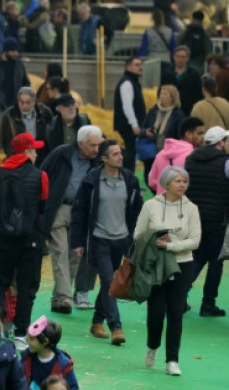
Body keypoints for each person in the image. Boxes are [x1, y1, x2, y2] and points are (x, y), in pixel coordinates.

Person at [69, 140, 143, 345]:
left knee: (107, 283)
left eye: (120, 153)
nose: (120, 157)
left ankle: (96, 322)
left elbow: (138, 209)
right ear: (104, 159)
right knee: (109, 281)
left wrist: (136, 235)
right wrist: (77, 242)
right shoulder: (91, 181)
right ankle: (116, 327)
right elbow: (79, 212)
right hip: (99, 239)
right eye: (115, 154)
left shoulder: (130, 180)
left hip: (121, 239)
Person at [0, 133, 49, 345]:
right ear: (28, 151)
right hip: (31, 239)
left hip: (3, 238)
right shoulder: (41, 176)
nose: (37, 153)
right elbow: (42, 209)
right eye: (34, 149)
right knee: (27, 286)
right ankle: (21, 333)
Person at [134, 166, 200, 376]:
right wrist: (155, 241)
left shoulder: (192, 208)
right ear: (166, 184)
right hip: (155, 265)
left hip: (183, 265)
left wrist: (171, 245)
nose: (183, 185)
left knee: (175, 312)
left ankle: (172, 360)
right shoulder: (150, 206)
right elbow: (138, 235)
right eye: (178, 181)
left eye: (185, 181)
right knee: (155, 312)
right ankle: (153, 346)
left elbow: (195, 241)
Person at [41, 125, 103, 314]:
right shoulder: (61, 154)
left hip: (80, 212)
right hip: (58, 209)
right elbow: (42, 175)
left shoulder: (97, 162)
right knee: (59, 253)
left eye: (98, 145)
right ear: (80, 143)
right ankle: (66, 298)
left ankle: (58, 298)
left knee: (74, 256)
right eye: (92, 145)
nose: (95, 149)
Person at [184, 126, 229, 317]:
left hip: (195, 217)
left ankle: (178, 295)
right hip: (218, 218)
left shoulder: (190, 159)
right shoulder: (225, 163)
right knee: (215, 262)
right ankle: (208, 303)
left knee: (196, 257)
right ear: (220, 142)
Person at [140, 84, 185, 187]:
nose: (162, 96)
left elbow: (179, 135)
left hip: (168, 153)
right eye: (161, 94)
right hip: (151, 152)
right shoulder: (153, 111)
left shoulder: (178, 115)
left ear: (172, 97)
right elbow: (143, 128)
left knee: (167, 179)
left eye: (165, 94)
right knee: (149, 179)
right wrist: (145, 132)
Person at [148, 116, 205, 194]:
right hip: (184, 201)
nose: (203, 137)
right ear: (188, 134)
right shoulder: (193, 155)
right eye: (200, 133)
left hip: (163, 202)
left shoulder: (160, 155)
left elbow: (152, 181)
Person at [19, 317, 79, 390]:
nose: (28, 342)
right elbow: (17, 381)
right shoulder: (26, 359)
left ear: (45, 341)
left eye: (32, 339)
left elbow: (73, 387)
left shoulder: (63, 364)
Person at [0, 87, 53, 164]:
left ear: (34, 102)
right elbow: (3, 138)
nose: (25, 106)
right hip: (17, 159)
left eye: (28, 102)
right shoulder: (9, 115)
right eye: (22, 102)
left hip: (41, 159)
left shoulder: (45, 113)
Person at [114, 57, 147, 171]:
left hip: (130, 125)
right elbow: (127, 105)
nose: (140, 67)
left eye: (141, 64)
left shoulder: (132, 81)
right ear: (128, 67)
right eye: (137, 65)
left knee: (131, 150)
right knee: (130, 151)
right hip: (128, 125)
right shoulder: (127, 82)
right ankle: (127, 176)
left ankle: (128, 177)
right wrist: (134, 124)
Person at [164, 45, 203, 112]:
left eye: (183, 57)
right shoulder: (166, 72)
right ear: (173, 57)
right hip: (170, 108)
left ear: (187, 58)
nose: (180, 59)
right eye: (178, 56)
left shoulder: (194, 74)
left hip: (188, 109)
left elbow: (198, 93)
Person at [179, 10, 211, 74]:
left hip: (186, 57)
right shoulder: (204, 32)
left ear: (193, 18)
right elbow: (208, 46)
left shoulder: (187, 30)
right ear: (202, 19)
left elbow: (178, 40)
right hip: (199, 60)